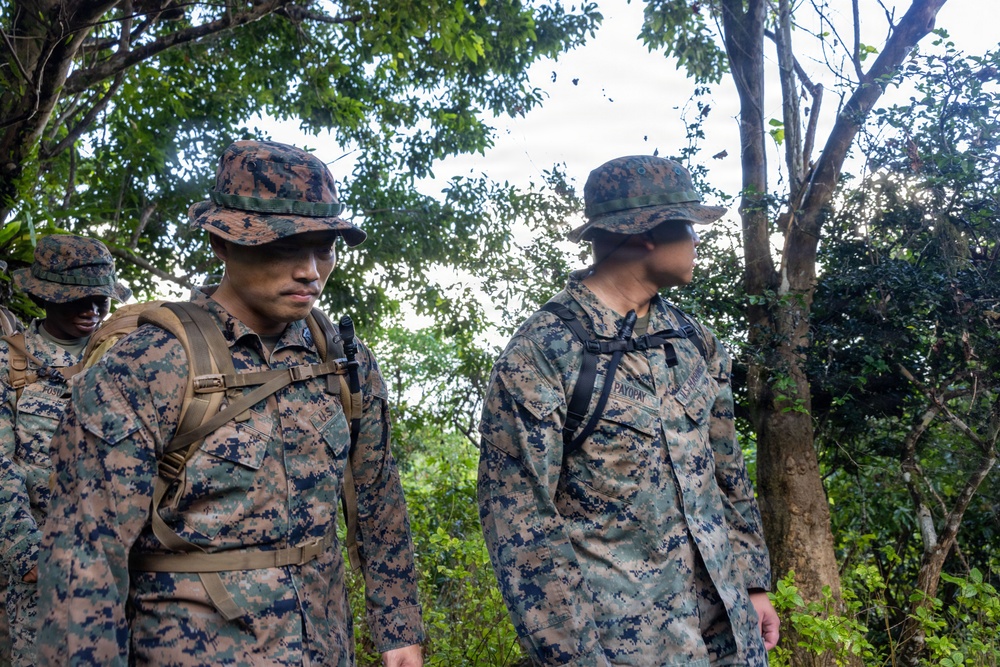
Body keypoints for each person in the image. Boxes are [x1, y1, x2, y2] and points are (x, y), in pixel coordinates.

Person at [37, 140, 425, 666]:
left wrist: (399, 631)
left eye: (325, 247)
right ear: (223, 243)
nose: (311, 270)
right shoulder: (147, 365)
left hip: (326, 646)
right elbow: (85, 561)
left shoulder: (343, 359)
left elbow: (378, 503)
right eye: (287, 247)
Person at [478, 155, 780, 666]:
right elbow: (521, 528)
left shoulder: (692, 341)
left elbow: (726, 474)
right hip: (622, 648)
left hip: (728, 635)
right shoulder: (545, 353)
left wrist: (752, 584)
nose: (697, 240)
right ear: (646, 234)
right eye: (687, 225)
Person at [0, 234, 131, 667]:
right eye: (78, 298)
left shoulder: (124, 359)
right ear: (43, 297)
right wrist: (29, 556)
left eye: (101, 298)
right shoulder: (10, 363)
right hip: (36, 566)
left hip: (116, 565)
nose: (92, 309)